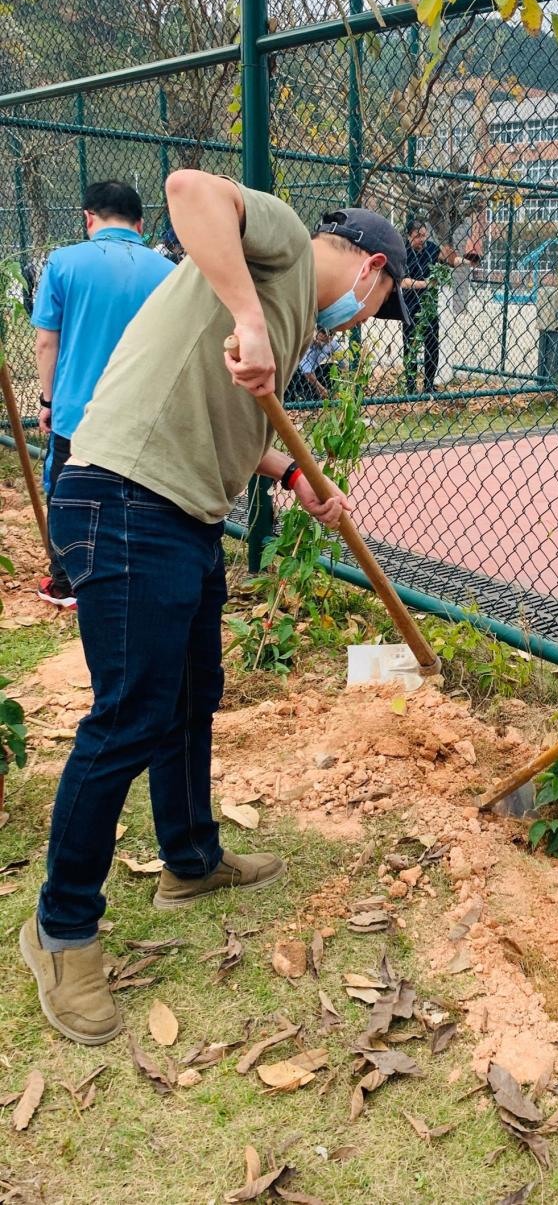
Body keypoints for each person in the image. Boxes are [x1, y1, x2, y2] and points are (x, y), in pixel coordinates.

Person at [20, 178, 407, 1046]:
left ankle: (190, 859)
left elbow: (233, 413)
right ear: (373, 270)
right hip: (124, 495)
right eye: (382, 304)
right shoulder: (284, 243)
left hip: (184, 511)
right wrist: (250, 316)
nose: (366, 319)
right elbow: (189, 191)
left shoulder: (296, 318)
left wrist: (291, 473)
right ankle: (61, 928)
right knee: (129, 716)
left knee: (193, 694)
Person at [31, 180, 175, 609]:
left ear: (88, 218)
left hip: (78, 412)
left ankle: (66, 582)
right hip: (144, 412)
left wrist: (48, 401)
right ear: (141, 224)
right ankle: (136, 573)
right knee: (142, 494)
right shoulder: (168, 272)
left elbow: (46, 343)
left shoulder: (63, 262)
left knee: (65, 492)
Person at [401, 219, 478, 394]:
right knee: (410, 345)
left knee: (432, 345)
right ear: (409, 236)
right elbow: (403, 282)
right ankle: (410, 386)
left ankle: (428, 384)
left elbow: (451, 260)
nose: (422, 239)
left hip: (429, 306)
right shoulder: (403, 252)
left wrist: (468, 261)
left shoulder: (431, 248)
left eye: (424, 235)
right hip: (409, 305)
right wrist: (427, 284)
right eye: (417, 236)